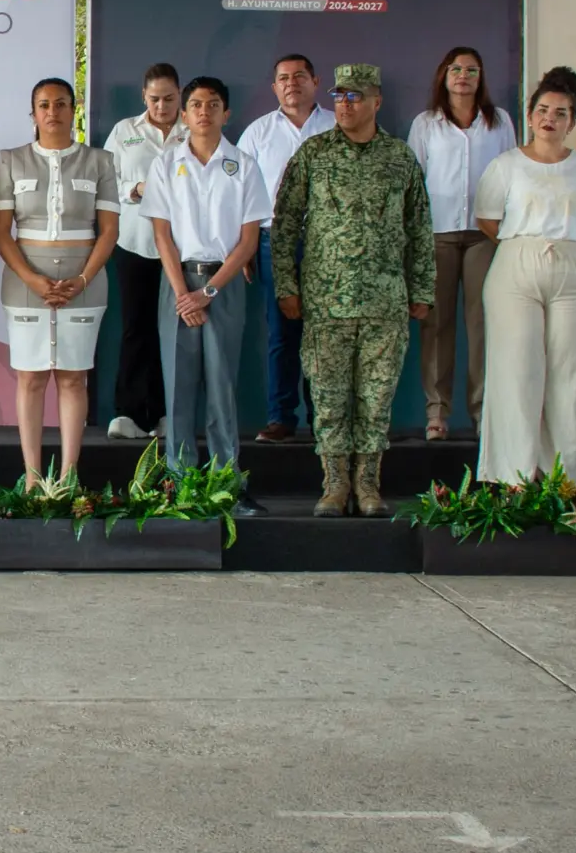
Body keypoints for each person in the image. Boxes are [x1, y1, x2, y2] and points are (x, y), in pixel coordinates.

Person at [271, 64, 434, 516]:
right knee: (328, 399)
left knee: (376, 401)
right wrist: (287, 284)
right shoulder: (313, 154)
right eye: (340, 95)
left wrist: (422, 288)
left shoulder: (400, 158)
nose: (345, 103)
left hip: (385, 302)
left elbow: (419, 227)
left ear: (377, 102)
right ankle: (334, 486)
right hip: (326, 302)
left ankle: (368, 486)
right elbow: (284, 225)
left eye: (355, 96)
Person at [474, 67, 576, 485]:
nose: (551, 118)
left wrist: (560, 249)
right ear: (530, 116)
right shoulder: (506, 165)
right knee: (516, 371)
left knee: (573, 373)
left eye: (562, 113)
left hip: (572, 268)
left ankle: (569, 479)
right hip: (516, 265)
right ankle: (513, 476)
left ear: (571, 122)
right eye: (544, 110)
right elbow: (488, 218)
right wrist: (527, 248)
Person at [0, 78, 120, 490]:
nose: (53, 112)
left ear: (73, 109)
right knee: (30, 378)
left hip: (85, 281)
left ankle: (68, 476)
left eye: (61, 103)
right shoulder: (10, 160)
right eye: (44, 105)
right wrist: (32, 278)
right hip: (26, 281)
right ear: (33, 114)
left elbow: (109, 232)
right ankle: (30, 477)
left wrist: (82, 278)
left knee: (72, 377)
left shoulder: (100, 161)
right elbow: (0, 232)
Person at [141, 75, 268, 495]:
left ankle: (225, 481)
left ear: (226, 113)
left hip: (223, 284)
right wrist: (183, 294)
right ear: (184, 112)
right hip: (177, 282)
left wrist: (207, 292)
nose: (203, 112)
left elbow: (249, 240)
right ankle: (180, 481)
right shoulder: (165, 164)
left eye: (213, 104)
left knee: (221, 386)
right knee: (177, 389)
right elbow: (162, 235)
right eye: (195, 104)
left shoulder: (244, 165)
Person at [406, 47, 516, 439]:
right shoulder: (426, 123)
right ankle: (437, 414)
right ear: (444, 75)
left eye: (471, 69)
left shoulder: (499, 121)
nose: (463, 76)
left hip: (485, 235)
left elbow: (512, 176)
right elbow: (413, 183)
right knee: (437, 326)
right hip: (437, 234)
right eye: (456, 68)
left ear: (481, 77)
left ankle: (484, 411)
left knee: (482, 324)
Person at [238, 54, 335, 442]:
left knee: (324, 334)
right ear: (274, 87)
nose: (292, 83)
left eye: (299, 76)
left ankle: (323, 418)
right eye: (283, 78)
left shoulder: (335, 125)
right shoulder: (258, 133)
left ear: (315, 80)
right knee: (281, 334)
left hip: (329, 244)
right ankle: (281, 416)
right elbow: (239, 194)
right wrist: (241, 248)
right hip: (272, 241)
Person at [100, 63, 185, 440]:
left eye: (169, 98)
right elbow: (105, 182)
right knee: (137, 328)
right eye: (154, 99)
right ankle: (129, 413)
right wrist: (135, 190)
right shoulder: (124, 131)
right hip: (134, 242)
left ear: (180, 95)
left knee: (175, 331)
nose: (162, 106)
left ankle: (169, 414)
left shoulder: (193, 129)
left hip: (183, 247)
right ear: (143, 97)